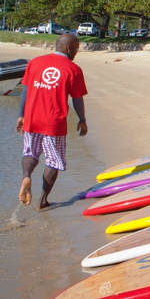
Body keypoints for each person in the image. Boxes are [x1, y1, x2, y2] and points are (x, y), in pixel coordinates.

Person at [16, 33, 88, 209]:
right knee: (53, 161)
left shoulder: (35, 62)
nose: (76, 52)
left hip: (32, 118)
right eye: (76, 49)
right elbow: (77, 99)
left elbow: (25, 90)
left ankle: (26, 176)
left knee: (30, 153)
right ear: (68, 48)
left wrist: (21, 115)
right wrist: (82, 119)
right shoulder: (73, 69)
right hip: (53, 121)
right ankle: (42, 200)